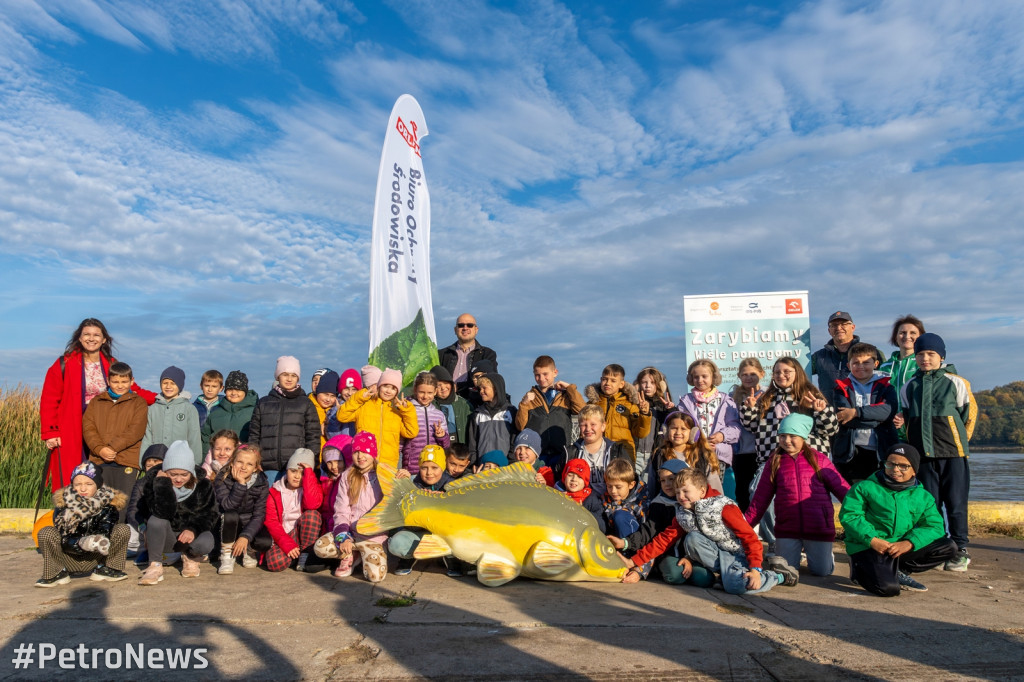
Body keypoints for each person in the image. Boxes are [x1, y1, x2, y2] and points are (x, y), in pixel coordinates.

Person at [623, 469, 799, 593]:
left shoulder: (723, 507)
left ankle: (777, 576)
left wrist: (755, 569)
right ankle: (727, 577)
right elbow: (664, 540)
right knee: (692, 538)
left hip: (736, 555)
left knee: (737, 586)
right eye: (677, 493)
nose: (680, 496)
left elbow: (750, 537)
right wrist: (634, 561)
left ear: (701, 491)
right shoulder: (683, 513)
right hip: (714, 555)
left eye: (685, 491)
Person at [40, 318, 155, 490]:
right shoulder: (65, 363)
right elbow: (49, 398)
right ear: (79, 337)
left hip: (102, 425)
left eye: (96, 335)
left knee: (98, 471)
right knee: (70, 472)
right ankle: (68, 511)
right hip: (71, 426)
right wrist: (51, 432)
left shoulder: (111, 363)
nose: (91, 338)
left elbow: (131, 388)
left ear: (104, 339)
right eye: (86, 334)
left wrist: (161, 397)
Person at [895, 332, 977, 571]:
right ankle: (937, 547)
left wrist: (960, 444)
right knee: (930, 504)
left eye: (931, 354)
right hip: (923, 457)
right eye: (920, 354)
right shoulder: (910, 386)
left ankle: (960, 548)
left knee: (956, 502)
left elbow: (968, 416)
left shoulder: (957, 382)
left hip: (953, 454)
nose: (925, 359)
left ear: (941, 356)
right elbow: (908, 419)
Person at [740, 357, 838, 548]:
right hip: (772, 459)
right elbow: (752, 427)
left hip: (807, 461)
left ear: (797, 373)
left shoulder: (810, 395)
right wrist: (749, 409)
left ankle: (813, 545)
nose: (781, 375)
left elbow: (831, 430)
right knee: (760, 496)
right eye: (777, 372)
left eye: (786, 371)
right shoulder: (765, 397)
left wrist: (821, 411)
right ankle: (776, 542)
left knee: (804, 503)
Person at [840, 444, 959, 595]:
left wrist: (909, 543)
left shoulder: (923, 496)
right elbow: (850, 516)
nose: (895, 469)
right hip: (868, 546)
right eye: (891, 464)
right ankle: (859, 568)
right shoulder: (864, 487)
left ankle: (899, 570)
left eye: (903, 466)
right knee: (888, 589)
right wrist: (873, 540)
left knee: (949, 547)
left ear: (914, 470)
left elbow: (934, 527)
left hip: (898, 547)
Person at [744, 414, 850, 576]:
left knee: (821, 572)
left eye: (793, 436)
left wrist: (863, 512)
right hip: (787, 529)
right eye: (782, 436)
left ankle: (827, 557)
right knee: (786, 571)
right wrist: (744, 527)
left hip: (818, 528)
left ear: (803, 437)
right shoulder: (774, 462)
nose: (787, 440)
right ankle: (795, 554)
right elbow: (760, 500)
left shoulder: (820, 460)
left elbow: (843, 490)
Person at [35, 462, 131, 587]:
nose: (83, 489)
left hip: (96, 557)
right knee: (46, 532)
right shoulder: (63, 504)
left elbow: (105, 533)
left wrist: (94, 542)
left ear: (98, 485)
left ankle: (109, 569)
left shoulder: (109, 506)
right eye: (78, 484)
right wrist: (83, 543)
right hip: (68, 557)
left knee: (122, 529)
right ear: (72, 485)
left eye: (89, 484)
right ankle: (56, 573)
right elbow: (63, 537)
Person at [138, 441, 219, 585]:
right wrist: (163, 484)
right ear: (165, 471)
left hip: (192, 536)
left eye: (184, 474)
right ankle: (155, 565)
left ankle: (190, 557)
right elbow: (162, 513)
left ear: (191, 472)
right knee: (155, 520)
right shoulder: (154, 483)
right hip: (168, 537)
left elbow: (210, 514)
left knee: (205, 542)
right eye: (173, 474)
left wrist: (193, 529)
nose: (179, 479)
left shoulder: (203, 485)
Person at [315, 432, 388, 582]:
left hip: (374, 537)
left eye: (365, 451)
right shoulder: (347, 476)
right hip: (351, 533)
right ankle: (350, 554)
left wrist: (403, 475)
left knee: (375, 577)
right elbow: (341, 509)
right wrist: (343, 536)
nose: (360, 456)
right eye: (356, 452)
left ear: (373, 453)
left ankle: (364, 554)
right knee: (320, 547)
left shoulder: (384, 475)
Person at [81, 361, 148, 518]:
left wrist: (112, 448)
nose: (120, 385)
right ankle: (101, 537)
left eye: (124, 382)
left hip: (126, 460)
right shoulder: (96, 402)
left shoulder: (138, 403)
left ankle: (121, 538)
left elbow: (135, 431)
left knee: (123, 503)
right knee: (100, 501)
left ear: (132, 381)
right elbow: (88, 429)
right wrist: (100, 449)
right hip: (99, 460)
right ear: (108, 381)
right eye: (115, 381)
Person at [248, 356, 322, 483]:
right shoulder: (264, 403)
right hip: (268, 468)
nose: (289, 379)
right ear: (278, 376)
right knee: (270, 502)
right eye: (285, 374)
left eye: (293, 375)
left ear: (298, 378)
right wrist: (254, 459)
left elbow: (313, 436)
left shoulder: (306, 403)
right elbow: (254, 435)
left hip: (297, 467)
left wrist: (311, 462)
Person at [833, 343, 898, 483]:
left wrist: (856, 412)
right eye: (855, 362)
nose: (860, 366)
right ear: (849, 365)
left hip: (882, 451)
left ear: (875, 363)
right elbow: (845, 418)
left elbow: (888, 412)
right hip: (851, 452)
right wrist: (877, 418)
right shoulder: (841, 388)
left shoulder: (886, 387)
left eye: (866, 362)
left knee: (880, 495)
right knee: (856, 495)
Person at [676, 359, 741, 499]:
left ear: (713, 377)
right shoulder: (685, 402)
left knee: (715, 494)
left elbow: (735, 427)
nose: (700, 380)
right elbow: (682, 427)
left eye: (704, 376)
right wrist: (698, 441)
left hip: (718, 455)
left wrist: (721, 436)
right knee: (694, 493)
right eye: (696, 377)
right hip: (693, 454)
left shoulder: (725, 400)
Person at [390, 445, 454, 576]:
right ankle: (409, 557)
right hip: (418, 533)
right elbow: (406, 522)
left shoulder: (452, 486)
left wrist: (441, 500)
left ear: (442, 467)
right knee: (396, 543)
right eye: (424, 468)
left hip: (444, 535)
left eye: (434, 467)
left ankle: (452, 559)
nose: (429, 473)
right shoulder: (413, 485)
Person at [515, 356, 585, 475]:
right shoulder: (530, 398)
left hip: (561, 452)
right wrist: (524, 404)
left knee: (558, 487)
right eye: (537, 375)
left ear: (555, 372)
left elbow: (583, 410)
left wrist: (569, 388)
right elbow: (520, 426)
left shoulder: (564, 396)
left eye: (545, 374)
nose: (541, 378)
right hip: (538, 455)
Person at [213, 444, 270, 575]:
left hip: (249, 523)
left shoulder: (261, 482)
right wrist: (240, 484)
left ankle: (248, 549)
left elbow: (259, 514)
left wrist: (246, 536)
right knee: (230, 515)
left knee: (265, 542)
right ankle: (227, 555)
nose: (244, 467)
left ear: (255, 468)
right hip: (227, 524)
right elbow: (227, 506)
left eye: (249, 464)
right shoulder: (222, 477)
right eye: (239, 462)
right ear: (232, 462)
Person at [264, 448, 324, 573]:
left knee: (312, 515)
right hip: (284, 535)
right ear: (287, 471)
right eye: (293, 471)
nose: (297, 476)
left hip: (304, 534)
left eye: (302, 473)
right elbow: (272, 522)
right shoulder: (275, 492)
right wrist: (287, 545)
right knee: (274, 563)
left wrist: (309, 474)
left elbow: (312, 505)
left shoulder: (311, 489)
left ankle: (304, 554)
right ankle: (294, 556)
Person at [585, 364, 651, 461]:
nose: (607, 383)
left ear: (621, 384)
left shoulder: (630, 404)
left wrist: (644, 414)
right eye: (605, 379)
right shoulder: (592, 404)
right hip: (596, 454)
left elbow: (640, 433)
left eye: (613, 380)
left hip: (622, 455)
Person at [879, 315, 930, 440]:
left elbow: (927, 396)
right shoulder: (884, 367)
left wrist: (905, 415)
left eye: (913, 333)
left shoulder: (924, 364)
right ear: (895, 337)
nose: (907, 336)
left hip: (915, 429)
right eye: (902, 332)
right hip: (889, 429)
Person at [648, 411, 724, 495]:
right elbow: (652, 487)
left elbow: (715, 490)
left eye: (683, 429)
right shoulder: (659, 455)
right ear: (666, 430)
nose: (678, 432)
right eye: (674, 428)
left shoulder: (703, 456)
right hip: (666, 505)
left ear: (693, 433)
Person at [140, 366, 202, 465]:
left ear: (180, 385)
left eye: (173, 383)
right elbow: (147, 438)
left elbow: (194, 439)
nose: (168, 386)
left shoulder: (189, 409)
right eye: (165, 383)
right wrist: (142, 462)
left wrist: (195, 464)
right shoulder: (153, 409)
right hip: (156, 462)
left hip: (181, 463)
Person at [566, 404, 631, 496]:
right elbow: (559, 480)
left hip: (609, 503)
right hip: (580, 502)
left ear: (603, 426)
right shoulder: (571, 452)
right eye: (584, 425)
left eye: (593, 424)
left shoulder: (617, 451)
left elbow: (629, 481)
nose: (588, 429)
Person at [601, 459, 651, 565]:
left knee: (620, 516)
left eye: (618, 487)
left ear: (631, 485)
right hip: (615, 543)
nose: (613, 491)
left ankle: (628, 559)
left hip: (635, 547)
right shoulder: (605, 498)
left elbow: (648, 537)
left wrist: (640, 569)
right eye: (609, 486)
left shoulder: (642, 501)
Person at [730, 358, 765, 511]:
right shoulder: (733, 396)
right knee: (742, 492)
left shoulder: (767, 394)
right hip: (740, 453)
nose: (748, 378)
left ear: (762, 374)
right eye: (744, 375)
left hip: (761, 452)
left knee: (760, 492)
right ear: (739, 376)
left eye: (753, 374)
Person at [400, 372, 451, 475]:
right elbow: (399, 443)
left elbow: (446, 445)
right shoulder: (407, 411)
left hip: (433, 471)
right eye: (422, 392)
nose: (425, 396)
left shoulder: (439, 415)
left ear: (435, 392)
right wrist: (400, 466)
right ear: (415, 390)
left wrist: (442, 436)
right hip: (412, 470)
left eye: (429, 393)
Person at [438, 313, 499, 399]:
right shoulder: (442, 354)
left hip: (475, 403)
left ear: (476, 329)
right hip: (446, 402)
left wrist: (458, 387)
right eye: (461, 325)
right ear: (455, 330)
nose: (465, 328)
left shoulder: (487, 354)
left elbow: (490, 380)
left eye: (469, 325)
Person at [811, 311, 864, 407]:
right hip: (828, 416)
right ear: (829, 331)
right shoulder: (818, 356)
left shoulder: (869, 353)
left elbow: (885, 381)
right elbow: (798, 373)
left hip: (860, 415)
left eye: (844, 324)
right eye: (834, 325)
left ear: (853, 327)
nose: (839, 328)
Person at [633, 367, 674, 483]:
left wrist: (670, 410)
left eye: (652, 382)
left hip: (653, 454)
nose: (647, 386)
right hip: (636, 453)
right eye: (644, 382)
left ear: (660, 385)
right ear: (638, 385)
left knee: (649, 485)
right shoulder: (633, 405)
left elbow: (673, 422)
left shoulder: (662, 406)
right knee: (633, 484)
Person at [126, 444, 167, 561]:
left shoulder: (172, 481)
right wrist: (143, 528)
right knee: (127, 532)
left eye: (157, 464)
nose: (153, 467)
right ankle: (145, 550)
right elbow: (132, 511)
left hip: (164, 528)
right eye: (149, 465)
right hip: (143, 528)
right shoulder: (140, 483)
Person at [201, 370, 258, 454]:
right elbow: (205, 438)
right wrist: (205, 458)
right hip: (218, 460)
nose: (234, 393)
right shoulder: (215, 413)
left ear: (245, 391)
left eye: (238, 389)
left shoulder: (255, 412)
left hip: (243, 462)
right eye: (230, 389)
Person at [466, 373, 516, 461]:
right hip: (483, 466)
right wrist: (473, 463)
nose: (481, 391)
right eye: (480, 388)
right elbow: (472, 444)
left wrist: (511, 461)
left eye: (484, 388)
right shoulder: (477, 414)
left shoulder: (510, 412)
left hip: (504, 467)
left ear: (496, 389)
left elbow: (514, 441)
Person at [555, 458, 604, 528]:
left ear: (585, 482)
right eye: (570, 475)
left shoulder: (592, 499)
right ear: (564, 477)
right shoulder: (556, 493)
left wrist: (583, 513)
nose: (574, 479)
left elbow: (602, 527)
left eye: (579, 477)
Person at [431, 365, 471, 446]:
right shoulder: (430, 406)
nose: (443, 388)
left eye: (446, 383)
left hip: (460, 447)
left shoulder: (464, 404)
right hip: (438, 447)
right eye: (438, 385)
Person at [318, 434, 351, 532]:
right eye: (329, 462)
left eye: (338, 461)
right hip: (325, 524)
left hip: (343, 525)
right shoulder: (325, 480)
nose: (334, 466)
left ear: (347, 458)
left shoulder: (350, 481)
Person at [310, 370, 341, 447]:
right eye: (326, 394)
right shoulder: (308, 406)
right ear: (318, 392)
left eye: (332, 396)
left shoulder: (337, 411)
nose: (328, 399)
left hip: (329, 456)